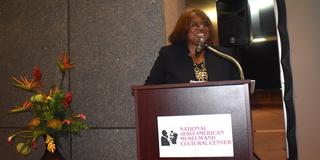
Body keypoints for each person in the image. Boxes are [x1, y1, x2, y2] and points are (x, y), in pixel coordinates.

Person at [145, 9, 239, 85]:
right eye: (195, 25)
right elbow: (150, 87)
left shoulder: (224, 55)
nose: (201, 28)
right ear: (184, 29)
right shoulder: (168, 55)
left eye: (205, 25)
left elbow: (238, 86)